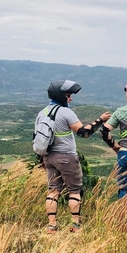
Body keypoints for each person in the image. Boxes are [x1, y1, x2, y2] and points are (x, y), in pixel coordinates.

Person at [40, 80, 110, 233]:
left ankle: (51, 226)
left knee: (53, 191)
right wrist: (100, 120)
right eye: (68, 95)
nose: (70, 98)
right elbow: (84, 133)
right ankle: (75, 225)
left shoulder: (42, 113)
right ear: (60, 96)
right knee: (74, 191)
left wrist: (42, 159)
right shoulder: (66, 113)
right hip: (66, 158)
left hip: (48, 157)